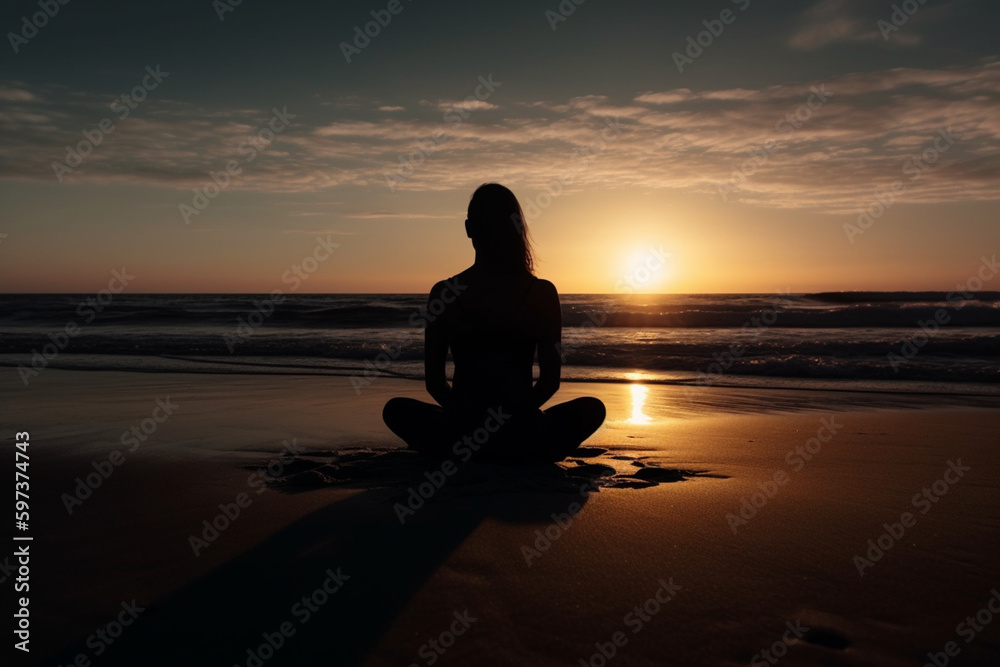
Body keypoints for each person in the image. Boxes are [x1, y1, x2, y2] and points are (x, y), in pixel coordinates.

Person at [382, 183, 606, 463]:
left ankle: (464, 449)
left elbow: (436, 384)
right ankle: (521, 450)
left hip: (461, 432)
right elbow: (549, 383)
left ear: (468, 228)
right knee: (592, 409)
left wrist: (467, 419)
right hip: (521, 430)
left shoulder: (444, 293)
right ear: (515, 228)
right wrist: (516, 416)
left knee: (396, 410)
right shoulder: (541, 292)